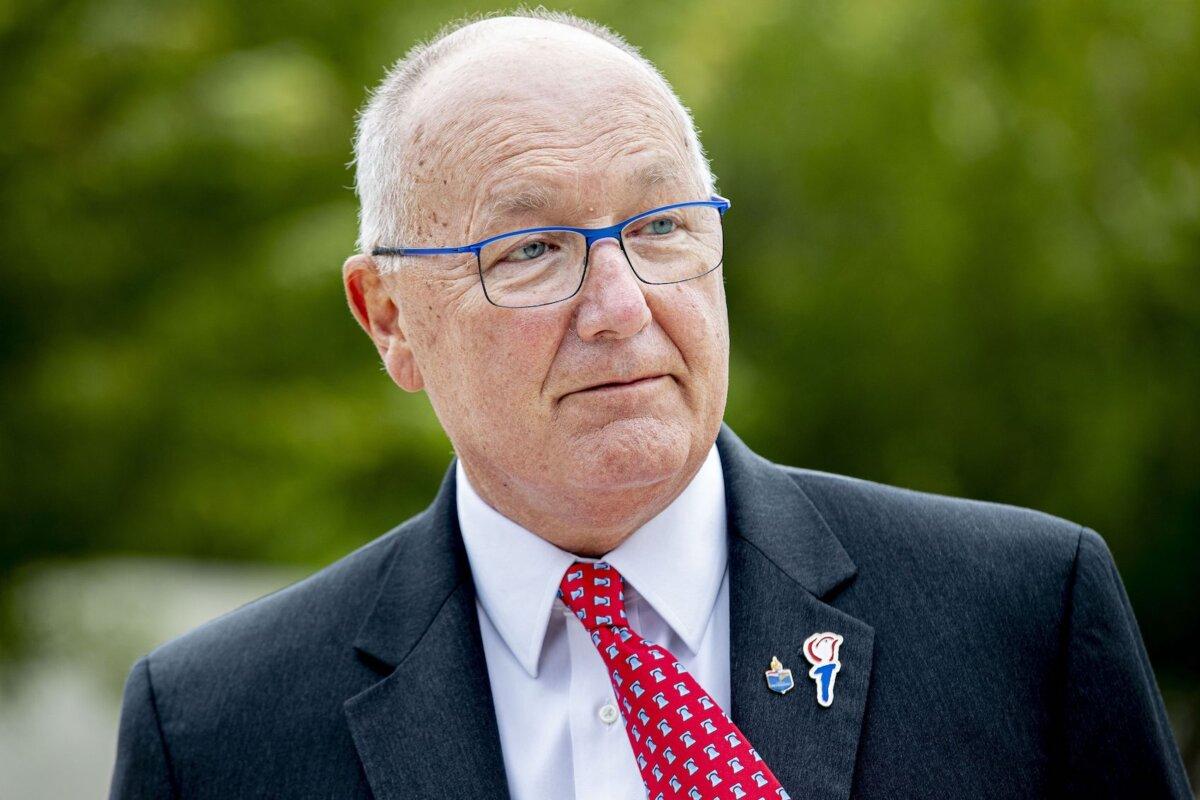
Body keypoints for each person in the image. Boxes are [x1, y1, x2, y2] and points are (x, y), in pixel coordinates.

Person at [108, 9, 1192, 799]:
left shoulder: (1022, 620)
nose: (622, 306)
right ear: (389, 316)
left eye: (661, 225)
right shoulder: (217, 731)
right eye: (531, 249)